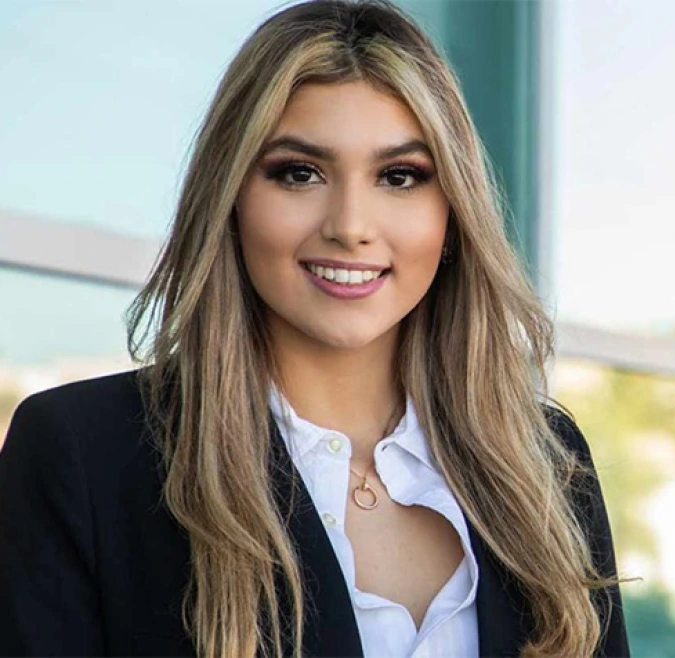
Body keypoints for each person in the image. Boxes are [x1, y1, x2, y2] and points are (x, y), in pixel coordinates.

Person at [0, 1, 628, 656]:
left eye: (400, 176)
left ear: (452, 214)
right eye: (300, 173)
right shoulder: (83, 455)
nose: (350, 224)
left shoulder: (545, 461)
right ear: (232, 198)